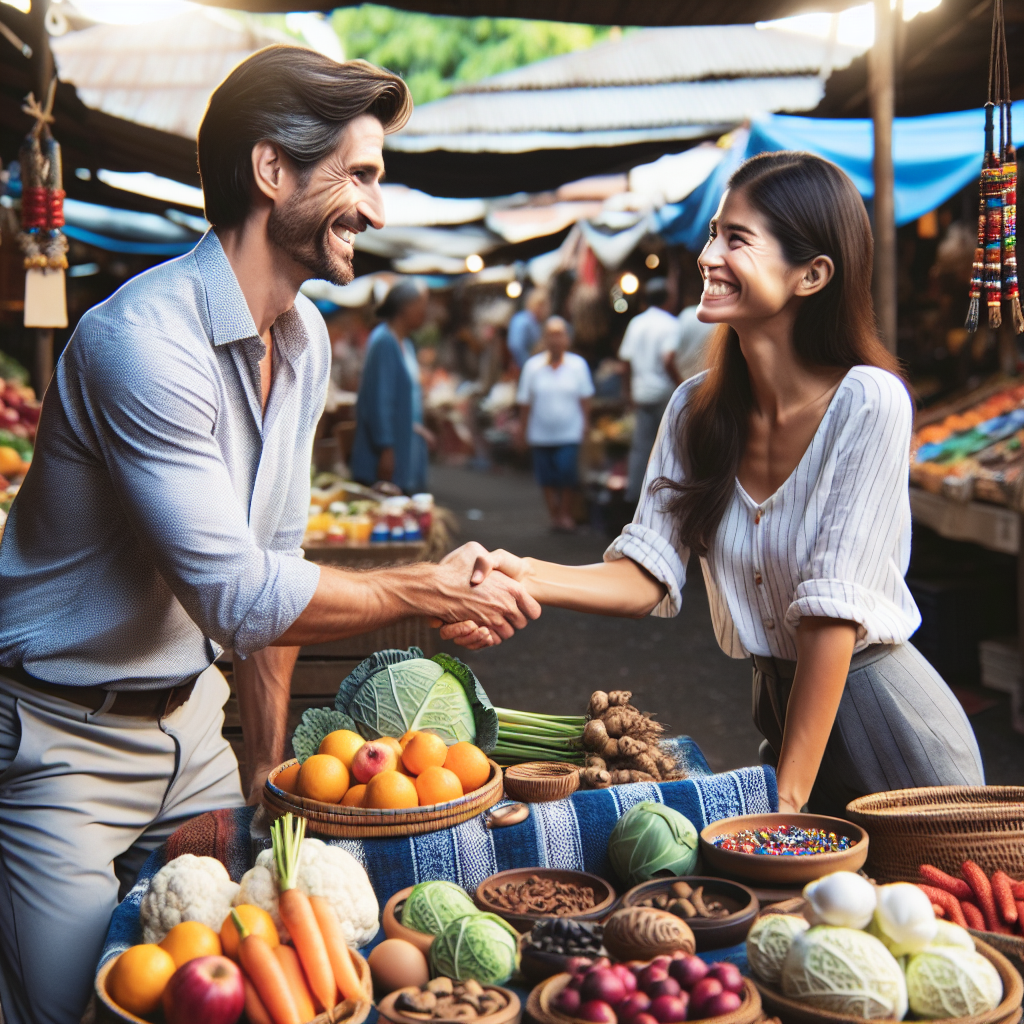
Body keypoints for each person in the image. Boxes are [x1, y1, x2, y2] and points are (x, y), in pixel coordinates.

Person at [0, 48, 537, 1024]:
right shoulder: (141, 343)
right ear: (273, 171)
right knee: (69, 1006)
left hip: (195, 727)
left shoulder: (302, 340)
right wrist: (428, 589)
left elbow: (273, 578)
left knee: (263, 979)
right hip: (57, 744)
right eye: (362, 175)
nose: (378, 210)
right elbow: (236, 595)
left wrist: (258, 770)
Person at [445, 151, 985, 818]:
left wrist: (782, 804)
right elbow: (646, 575)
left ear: (812, 274)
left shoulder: (868, 402)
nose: (708, 256)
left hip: (895, 734)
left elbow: (831, 616)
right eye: (712, 234)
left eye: (737, 238)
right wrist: (515, 574)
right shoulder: (694, 412)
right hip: (786, 722)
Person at [351, 278, 433, 493]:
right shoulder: (384, 342)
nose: (425, 311)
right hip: (384, 452)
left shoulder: (404, 343)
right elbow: (379, 401)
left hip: (402, 443)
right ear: (405, 307)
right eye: (422, 304)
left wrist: (417, 427)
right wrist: (386, 448)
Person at [516, 316, 594, 532]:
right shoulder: (532, 367)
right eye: (551, 334)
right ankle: (554, 514)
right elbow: (525, 402)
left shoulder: (578, 366)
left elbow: (585, 399)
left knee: (566, 474)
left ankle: (565, 513)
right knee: (546, 477)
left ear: (567, 338)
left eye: (560, 334)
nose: (555, 340)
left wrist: (586, 424)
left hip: (569, 431)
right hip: (540, 432)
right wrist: (521, 431)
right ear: (544, 338)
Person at [617, 277, 680, 503]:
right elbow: (668, 359)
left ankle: (635, 496)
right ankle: (662, 499)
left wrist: (628, 392)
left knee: (641, 447)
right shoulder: (670, 324)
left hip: (641, 392)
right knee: (668, 448)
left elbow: (625, 361)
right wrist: (682, 383)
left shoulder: (636, 323)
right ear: (668, 299)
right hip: (664, 393)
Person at [507, 287, 549, 370]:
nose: (543, 309)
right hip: (522, 367)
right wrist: (527, 365)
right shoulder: (522, 321)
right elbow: (516, 346)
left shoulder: (541, 323)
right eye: (540, 304)